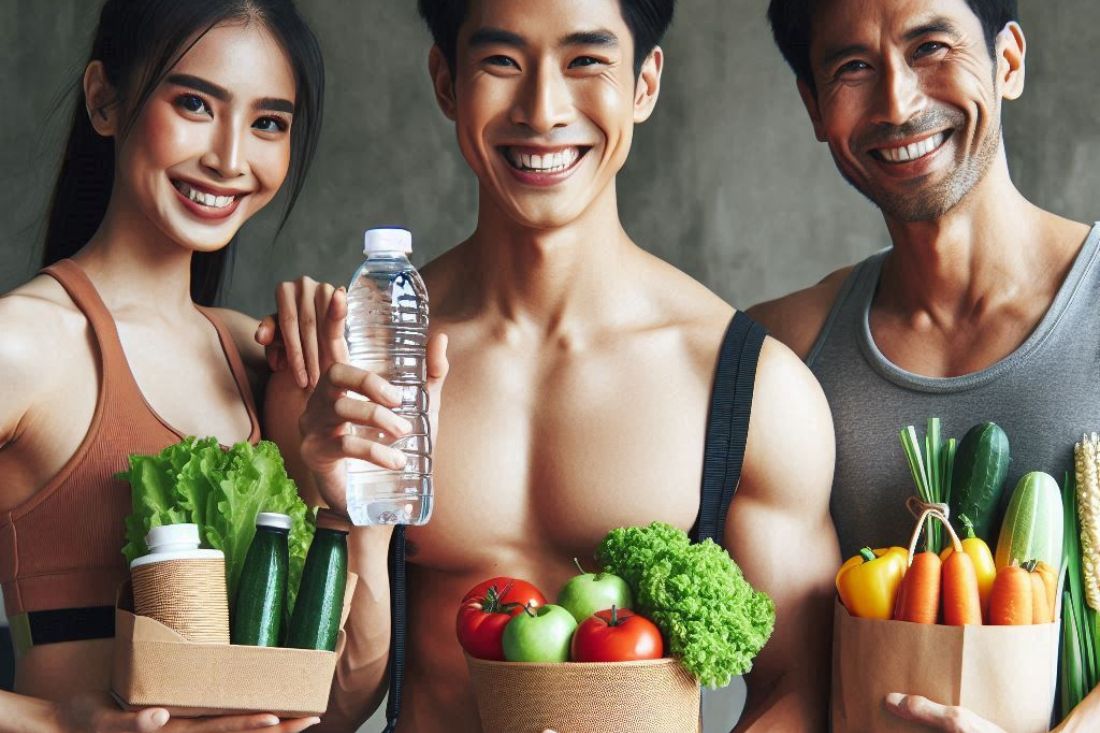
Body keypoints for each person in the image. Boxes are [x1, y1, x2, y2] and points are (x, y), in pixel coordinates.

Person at [264, 0, 840, 731]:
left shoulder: (752, 386)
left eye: (586, 60)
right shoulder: (350, 368)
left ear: (645, 83)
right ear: (446, 81)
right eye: (502, 61)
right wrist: (357, 518)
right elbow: (323, 711)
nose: (542, 110)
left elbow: (798, 690)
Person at [752, 0, 1100, 729]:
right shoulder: (784, 351)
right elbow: (791, 685)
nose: (898, 102)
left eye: (931, 47)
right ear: (814, 107)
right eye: (853, 68)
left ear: (1007, 61)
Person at [0, 1, 325, 730]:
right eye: (194, 104)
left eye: (269, 122)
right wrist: (61, 723)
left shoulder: (259, 358)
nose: (230, 157)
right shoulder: (22, 345)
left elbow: (343, 681)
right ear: (104, 99)